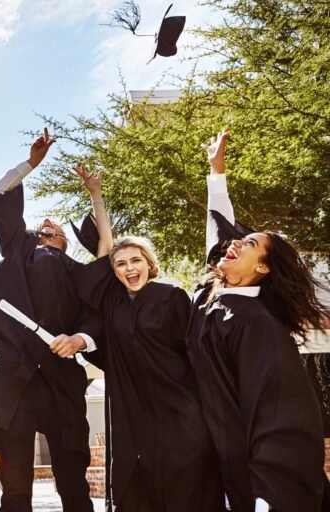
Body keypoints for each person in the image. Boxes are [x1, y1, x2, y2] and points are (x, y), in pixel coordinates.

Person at [187, 130, 328, 511]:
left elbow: (281, 415)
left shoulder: (259, 324)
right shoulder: (210, 294)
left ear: (263, 267)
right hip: (215, 456)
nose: (234, 243)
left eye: (248, 244)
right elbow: (218, 232)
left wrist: (270, 493)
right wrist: (216, 172)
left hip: (257, 475)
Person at [72, 167, 224, 511]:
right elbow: (105, 247)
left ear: (150, 264)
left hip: (179, 405)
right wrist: (96, 195)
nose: (129, 268)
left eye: (136, 260)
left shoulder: (171, 296)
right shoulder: (112, 302)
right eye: (121, 264)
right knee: (137, 483)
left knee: (187, 482)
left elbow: (195, 350)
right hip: (133, 408)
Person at [0, 128, 102, 511]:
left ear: (66, 239)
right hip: (13, 379)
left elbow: (97, 313)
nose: (49, 225)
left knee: (73, 483)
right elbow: (0, 195)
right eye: (43, 224)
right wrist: (31, 164)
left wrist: (80, 339)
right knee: (15, 489)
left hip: (61, 382)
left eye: (57, 227)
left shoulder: (78, 273)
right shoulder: (18, 248)